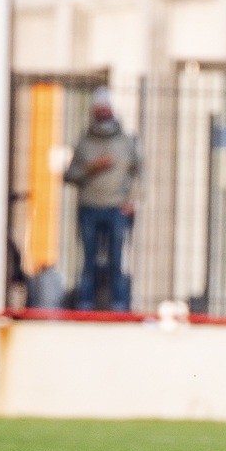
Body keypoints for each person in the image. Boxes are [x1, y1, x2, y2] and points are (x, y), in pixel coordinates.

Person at [64, 88, 140, 311]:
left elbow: (138, 173)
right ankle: (85, 304)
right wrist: (91, 168)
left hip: (117, 209)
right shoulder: (84, 143)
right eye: (99, 108)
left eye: (106, 108)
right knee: (89, 262)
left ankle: (119, 305)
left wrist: (132, 201)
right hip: (89, 208)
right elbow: (70, 175)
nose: (103, 112)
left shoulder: (126, 142)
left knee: (117, 261)